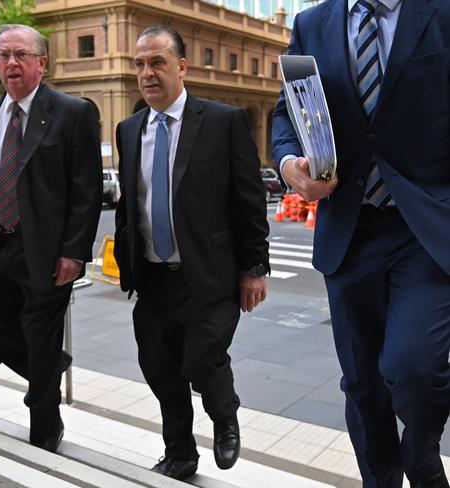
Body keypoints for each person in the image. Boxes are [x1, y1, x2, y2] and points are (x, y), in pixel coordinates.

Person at [272, 1, 450, 486]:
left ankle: (422, 461)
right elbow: (288, 110)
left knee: (414, 368)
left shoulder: (440, 12)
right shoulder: (312, 24)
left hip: (425, 229)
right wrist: (290, 165)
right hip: (349, 228)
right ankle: (381, 479)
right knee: (362, 382)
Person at [114, 25, 270, 481]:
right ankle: (180, 453)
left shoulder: (223, 122)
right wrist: (126, 262)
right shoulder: (128, 130)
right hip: (153, 276)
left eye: (157, 62)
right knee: (160, 370)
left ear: (181, 67)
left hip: (210, 274)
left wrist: (254, 267)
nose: (147, 73)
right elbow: (131, 202)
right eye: (140, 64)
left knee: (201, 359)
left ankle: (224, 414)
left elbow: (249, 199)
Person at [0, 24, 102, 453]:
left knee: (41, 335)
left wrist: (74, 253)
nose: (11, 63)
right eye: (3, 55)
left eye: (21, 54)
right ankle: (48, 369)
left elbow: (86, 190)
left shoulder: (73, 112)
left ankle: (45, 429)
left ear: (42, 62)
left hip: (46, 251)